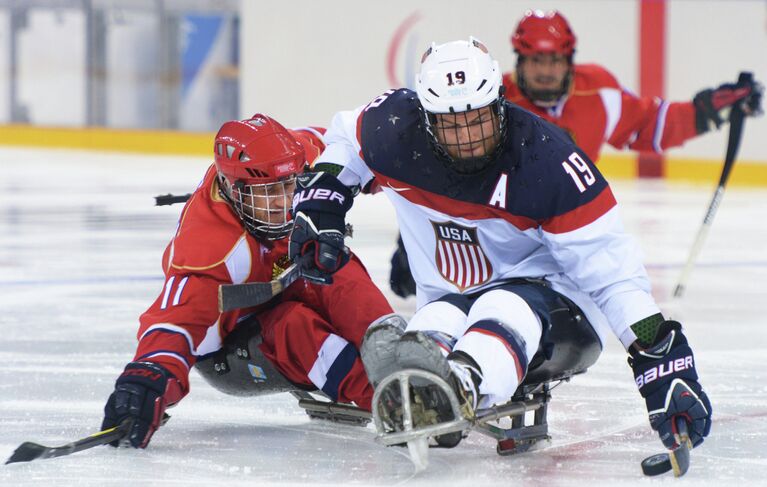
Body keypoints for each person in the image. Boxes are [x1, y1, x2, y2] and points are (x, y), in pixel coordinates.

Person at [288, 38, 712, 453]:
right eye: (451, 123)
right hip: (457, 297)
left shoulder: (551, 165)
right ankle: (423, 373)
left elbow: (617, 280)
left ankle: (462, 385)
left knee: (504, 307)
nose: (468, 135)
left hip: (562, 309)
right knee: (434, 317)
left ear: (500, 103)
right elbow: (345, 142)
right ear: (425, 117)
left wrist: (658, 355)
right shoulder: (395, 128)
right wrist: (324, 197)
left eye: (479, 117)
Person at [388, 9, 763, 299]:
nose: (546, 72)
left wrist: (713, 108)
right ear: (519, 60)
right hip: (495, 237)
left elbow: (651, 125)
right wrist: (416, 238)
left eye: (555, 60)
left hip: (566, 231)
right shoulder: (492, 103)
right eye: (536, 60)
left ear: (570, 59)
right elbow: (443, 164)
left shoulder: (598, 92)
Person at [101, 114, 394, 448]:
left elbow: (350, 147)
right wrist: (146, 381)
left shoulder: (295, 154)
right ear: (232, 189)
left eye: (291, 185)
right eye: (268, 193)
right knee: (293, 326)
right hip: (235, 347)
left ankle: (399, 354)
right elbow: (175, 324)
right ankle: (392, 401)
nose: (285, 203)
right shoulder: (209, 248)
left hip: (280, 279)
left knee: (334, 264)